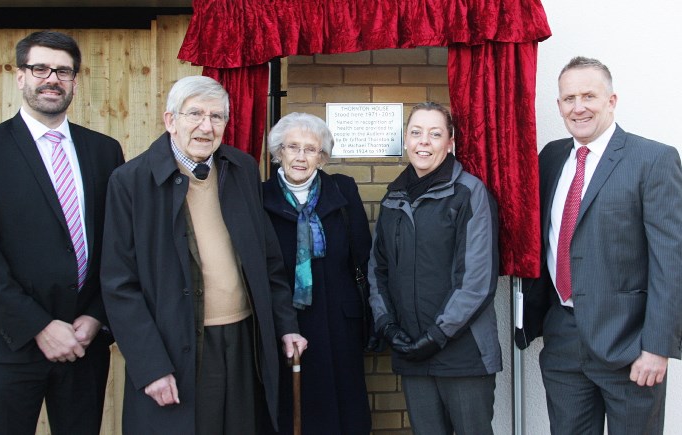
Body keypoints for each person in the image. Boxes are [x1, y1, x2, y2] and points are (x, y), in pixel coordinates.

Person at [100, 75, 307, 435]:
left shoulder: (240, 168)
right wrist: (150, 366)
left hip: (244, 337)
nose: (205, 126)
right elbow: (119, 284)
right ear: (170, 120)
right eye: (194, 114)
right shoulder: (130, 181)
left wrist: (286, 325)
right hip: (177, 346)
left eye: (217, 117)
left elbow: (268, 260)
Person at [516, 56, 682, 434]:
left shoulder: (653, 160)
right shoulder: (551, 157)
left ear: (612, 100)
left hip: (630, 347)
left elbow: (671, 262)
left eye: (589, 95)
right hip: (563, 343)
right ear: (558, 105)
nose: (579, 107)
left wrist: (657, 348)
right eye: (569, 98)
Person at [0, 31, 124, 435]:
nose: (52, 78)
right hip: (9, 342)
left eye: (63, 71)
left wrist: (97, 316)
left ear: (76, 81)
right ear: (19, 76)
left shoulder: (104, 151)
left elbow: (118, 243)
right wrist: (38, 326)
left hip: (85, 341)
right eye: (40, 68)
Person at [368, 102, 501, 435]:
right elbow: (377, 270)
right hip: (412, 351)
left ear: (450, 142)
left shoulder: (469, 193)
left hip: (463, 354)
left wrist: (437, 335)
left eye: (435, 133)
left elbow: (476, 281)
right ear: (406, 140)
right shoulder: (392, 198)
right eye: (416, 133)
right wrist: (387, 326)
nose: (423, 141)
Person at [262, 112, 372, 435]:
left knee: (343, 414)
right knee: (293, 413)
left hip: (339, 326)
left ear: (322, 157)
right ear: (277, 152)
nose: (300, 157)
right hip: (286, 325)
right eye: (291, 147)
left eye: (310, 149)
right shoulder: (260, 198)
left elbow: (363, 255)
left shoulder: (344, 192)